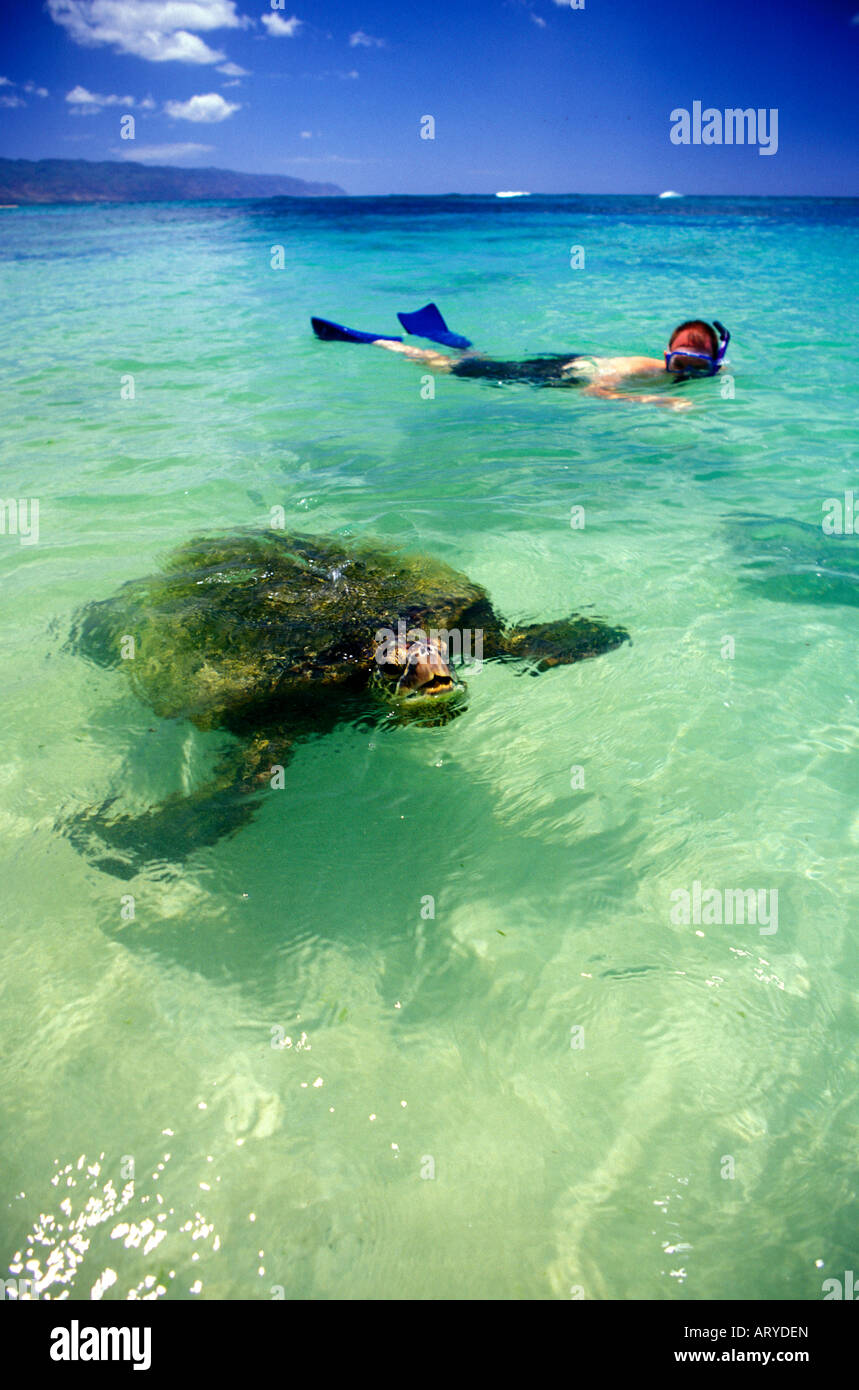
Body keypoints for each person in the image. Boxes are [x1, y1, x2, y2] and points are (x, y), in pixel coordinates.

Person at [368, 318, 730, 412]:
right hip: (560, 375)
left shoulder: (706, 371)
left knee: (485, 364)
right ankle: (386, 343)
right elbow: (595, 391)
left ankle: (464, 344)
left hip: (573, 363)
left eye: (698, 364)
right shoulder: (644, 370)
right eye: (680, 360)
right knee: (449, 370)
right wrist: (658, 402)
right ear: (665, 353)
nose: (686, 370)